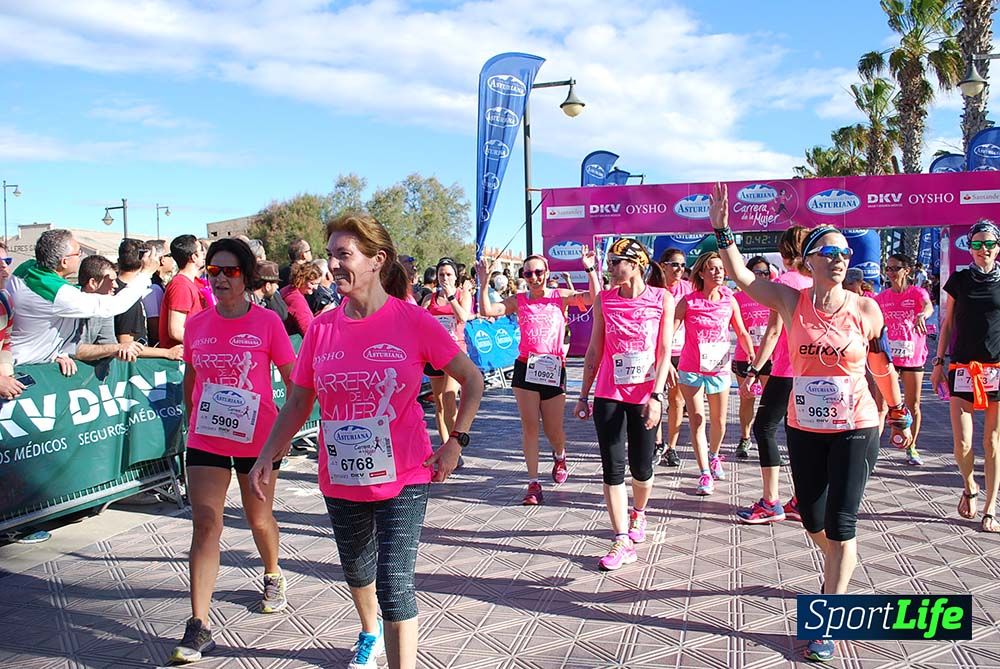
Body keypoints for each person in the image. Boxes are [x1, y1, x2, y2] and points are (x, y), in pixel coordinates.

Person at [248, 213, 483, 669]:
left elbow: (472, 379)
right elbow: (298, 402)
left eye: (344, 255)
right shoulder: (321, 328)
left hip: (406, 472)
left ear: (377, 261)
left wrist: (457, 440)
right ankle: (368, 632)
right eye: (330, 255)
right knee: (358, 570)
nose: (333, 265)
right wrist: (265, 456)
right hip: (342, 474)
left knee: (395, 582)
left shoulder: (412, 321)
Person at [710, 184, 912, 662]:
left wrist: (898, 410)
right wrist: (722, 230)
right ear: (808, 261)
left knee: (842, 522)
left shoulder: (865, 308)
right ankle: (839, 564)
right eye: (828, 251)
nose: (838, 259)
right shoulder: (791, 301)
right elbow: (740, 275)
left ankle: (828, 617)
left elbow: (881, 364)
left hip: (857, 426)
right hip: (804, 427)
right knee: (814, 520)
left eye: (843, 252)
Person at [169, 238, 297, 664]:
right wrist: (192, 417)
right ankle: (199, 624)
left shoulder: (266, 324)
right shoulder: (197, 324)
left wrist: (284, 433)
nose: (220, 278)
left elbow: (295, 382)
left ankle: (273, 573)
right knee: (205, 523)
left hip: (257, 440)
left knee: (258, 518)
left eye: (231, 271)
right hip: (206, 436)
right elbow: (191, 376)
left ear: (246, 276)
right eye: (213, 271)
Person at [576, 238, 676, 571]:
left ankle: (640, 513)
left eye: (614, 262)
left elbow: (664, 353)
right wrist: (583, 394)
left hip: (646, 395)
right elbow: (594, 350)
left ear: (634, 264)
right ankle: (621, 539)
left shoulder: (663, 299)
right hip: (609, 394)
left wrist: (658, 396)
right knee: (613, 467)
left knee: (642, 468)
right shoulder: (605, 299)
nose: (609, 268)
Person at [477, 248, 599, 505]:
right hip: (525, 367)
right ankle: (533, 483)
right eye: (528, 273)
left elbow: (594, 299)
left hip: (553, 368)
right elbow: (488, 311)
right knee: (529, 426)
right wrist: (484, 281)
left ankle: (559, 454)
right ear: (523, 276)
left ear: (547, 273)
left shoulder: (560, 297)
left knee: (554, 429)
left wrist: (590, 269)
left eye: (538, 272)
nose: (534, 277)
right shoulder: (518, 300)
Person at [735, 225, 810, 525]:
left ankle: (770, 502)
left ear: (783, 252)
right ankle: (802, 500)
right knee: (800, 435)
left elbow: (773, 331)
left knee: (764, 428)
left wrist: (753, 370)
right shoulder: (815, 281)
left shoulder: (786, 282)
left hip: (786, 370)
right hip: (813, 370)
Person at [930, 219, 1000, 534]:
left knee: (994, 442)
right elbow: (946, 324)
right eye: (977, 244)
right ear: (969, 248)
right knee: (962, 442)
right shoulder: (958, 281)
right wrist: (938, 362)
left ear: (997, 248)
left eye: (989, 244)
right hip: (963, 369)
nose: (983, 250)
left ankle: (990, 509)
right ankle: (970, 485)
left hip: (997, 369)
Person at [8, 229, 157, 375]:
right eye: (78, 253)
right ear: (64, 262)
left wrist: (58, 352)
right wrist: (146, 273)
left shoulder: (27, 267)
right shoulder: (58, 293)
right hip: (25, 365)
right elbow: (114, 306)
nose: (81, 256)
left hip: (26, 358)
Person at [674, 251, 753, 495]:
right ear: (701, 273)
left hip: (718, 369)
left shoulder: (729, 300)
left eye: (721, 268)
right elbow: (670, 330)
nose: (718, 272)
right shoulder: (689, 301)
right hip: (691, 368)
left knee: (719, 421)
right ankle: (704, 472)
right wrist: (663, 358)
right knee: (698, 419)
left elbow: (740, 331)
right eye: (712, 268)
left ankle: (714, 455)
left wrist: (752, 359)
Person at [876, 253, 932, 466]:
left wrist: (922, 315)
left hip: (912, 357)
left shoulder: (917, 292)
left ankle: (911, 448)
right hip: (887, 358)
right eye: (887, 269)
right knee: (881, 406)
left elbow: (927, 306)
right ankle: (873, 449)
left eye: (895, 268)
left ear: (907, 270)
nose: (890, 273)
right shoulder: (882, 297)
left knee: (913, 404)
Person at [420, 258, 474, 446]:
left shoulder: (462, 295)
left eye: (449, 274)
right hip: (434, 355)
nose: (445, 278)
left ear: (455, 276)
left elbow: (463, 317)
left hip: (455, 353)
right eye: (441, 274)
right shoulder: (430, 298)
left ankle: (455, 446)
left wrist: (451, 297)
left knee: (450, 397)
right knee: (440, 402)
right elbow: (419, 323)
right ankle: (445, 445)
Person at [732, 256, 774, 459]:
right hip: (745, 356)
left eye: (766, 273)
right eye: (757, 272)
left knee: (769, 401)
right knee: (746, 399)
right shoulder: (738, 298)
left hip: (770, 357)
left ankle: (769, 440)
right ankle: (745, 437)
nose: (762, 276)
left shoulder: (774, 296)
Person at [655, 248, 692, 468]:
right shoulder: (653, 289)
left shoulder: (688, 289)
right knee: (656, 398)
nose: (679, 269)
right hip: (658, 353)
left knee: (677, 401)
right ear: (663, 266)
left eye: (682, 265)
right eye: (674, 264)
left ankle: (672, 447)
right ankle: (657, 443)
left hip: (682, 352)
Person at [74, 255, 144, 363]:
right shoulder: (70, 305)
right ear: (93, 283)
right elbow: (73, 350)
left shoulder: (106, 307)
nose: (115, 285)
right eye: (111, 280)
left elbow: (107, 343)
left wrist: (119, 350)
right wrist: (116, 348)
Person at [160, 234, 206, 349]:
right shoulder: (181, 285)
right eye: (201, 251)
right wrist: (205, 343)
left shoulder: (189, 282)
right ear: (194, 257)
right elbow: (176, 331)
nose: (204, 254)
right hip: (181, 359)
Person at [0, 242, 23, 401]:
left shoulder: (6, 300)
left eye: (7, 261)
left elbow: (6, 344)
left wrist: (8, 375)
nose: (4, 266)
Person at [279, 260, 321, 336]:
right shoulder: (296, 300)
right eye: (312, 283)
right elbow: (308, 330)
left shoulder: (288, 290)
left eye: (317, 284)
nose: (316, 288)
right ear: (301, 279)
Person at [143, 239, 172, 345]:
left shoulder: (156, 284)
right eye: (170, 255)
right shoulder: (153, 288)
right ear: (162, 259)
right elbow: (154, 324)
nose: (172, 259)